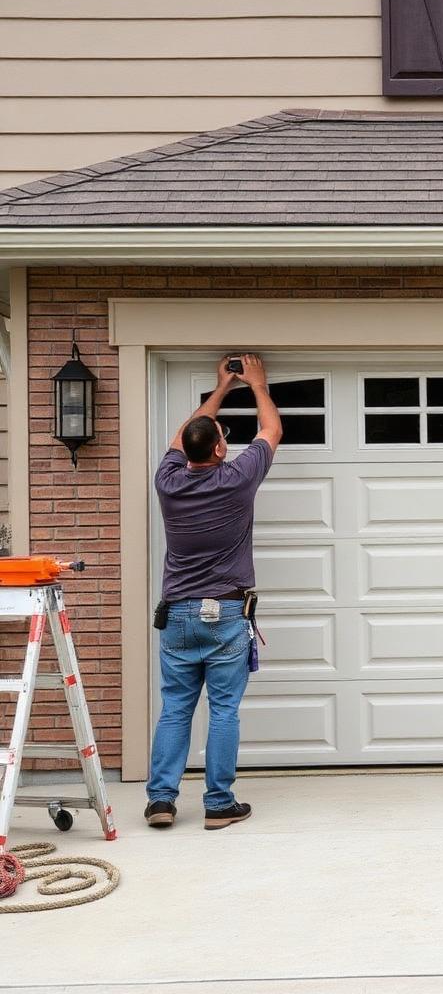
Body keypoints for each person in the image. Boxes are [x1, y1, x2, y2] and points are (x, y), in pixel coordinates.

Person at [144, 354, 282, 831]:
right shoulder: (238, 479)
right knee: (223, 710)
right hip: (225, 615)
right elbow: (271, 432)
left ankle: (161, 801)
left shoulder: (168, 482)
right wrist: (257, 385)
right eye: (224, 435)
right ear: (221, 450)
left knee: (176, 708)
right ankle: (218, 804)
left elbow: (184, 437)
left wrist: (219, 390)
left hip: (178, 615)